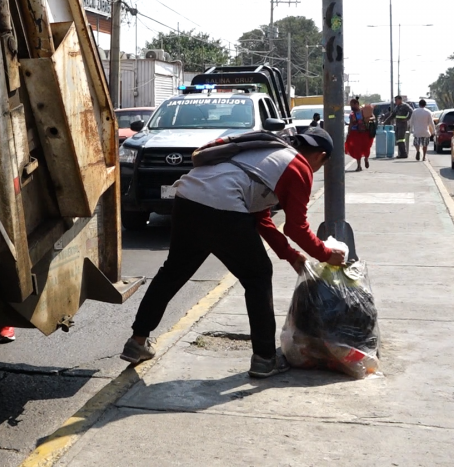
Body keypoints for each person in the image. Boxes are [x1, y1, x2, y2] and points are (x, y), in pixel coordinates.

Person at [119, 128, 346, 378]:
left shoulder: (269, 153)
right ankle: (265, 358)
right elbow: (296, 227)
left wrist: (290, 255)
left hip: (187, 199)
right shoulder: (298, 166)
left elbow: (260, 216)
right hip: (223, 206)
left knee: (172, 273)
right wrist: (325, 254)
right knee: (258, 276)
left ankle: (137, 342)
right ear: (321, 156)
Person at [345, 98, 373, 171]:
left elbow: (373, 117)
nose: (351, 107)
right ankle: (359, 166)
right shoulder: (352, 114)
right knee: (357, 149)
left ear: (357, 104)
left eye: (352, 105)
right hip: (355, 133)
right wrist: (348, 133)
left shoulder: (364, 111)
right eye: (351, 105)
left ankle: (366, 159)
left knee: (366, 148)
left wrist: (367, 119)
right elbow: (350, 124)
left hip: (365, 132)